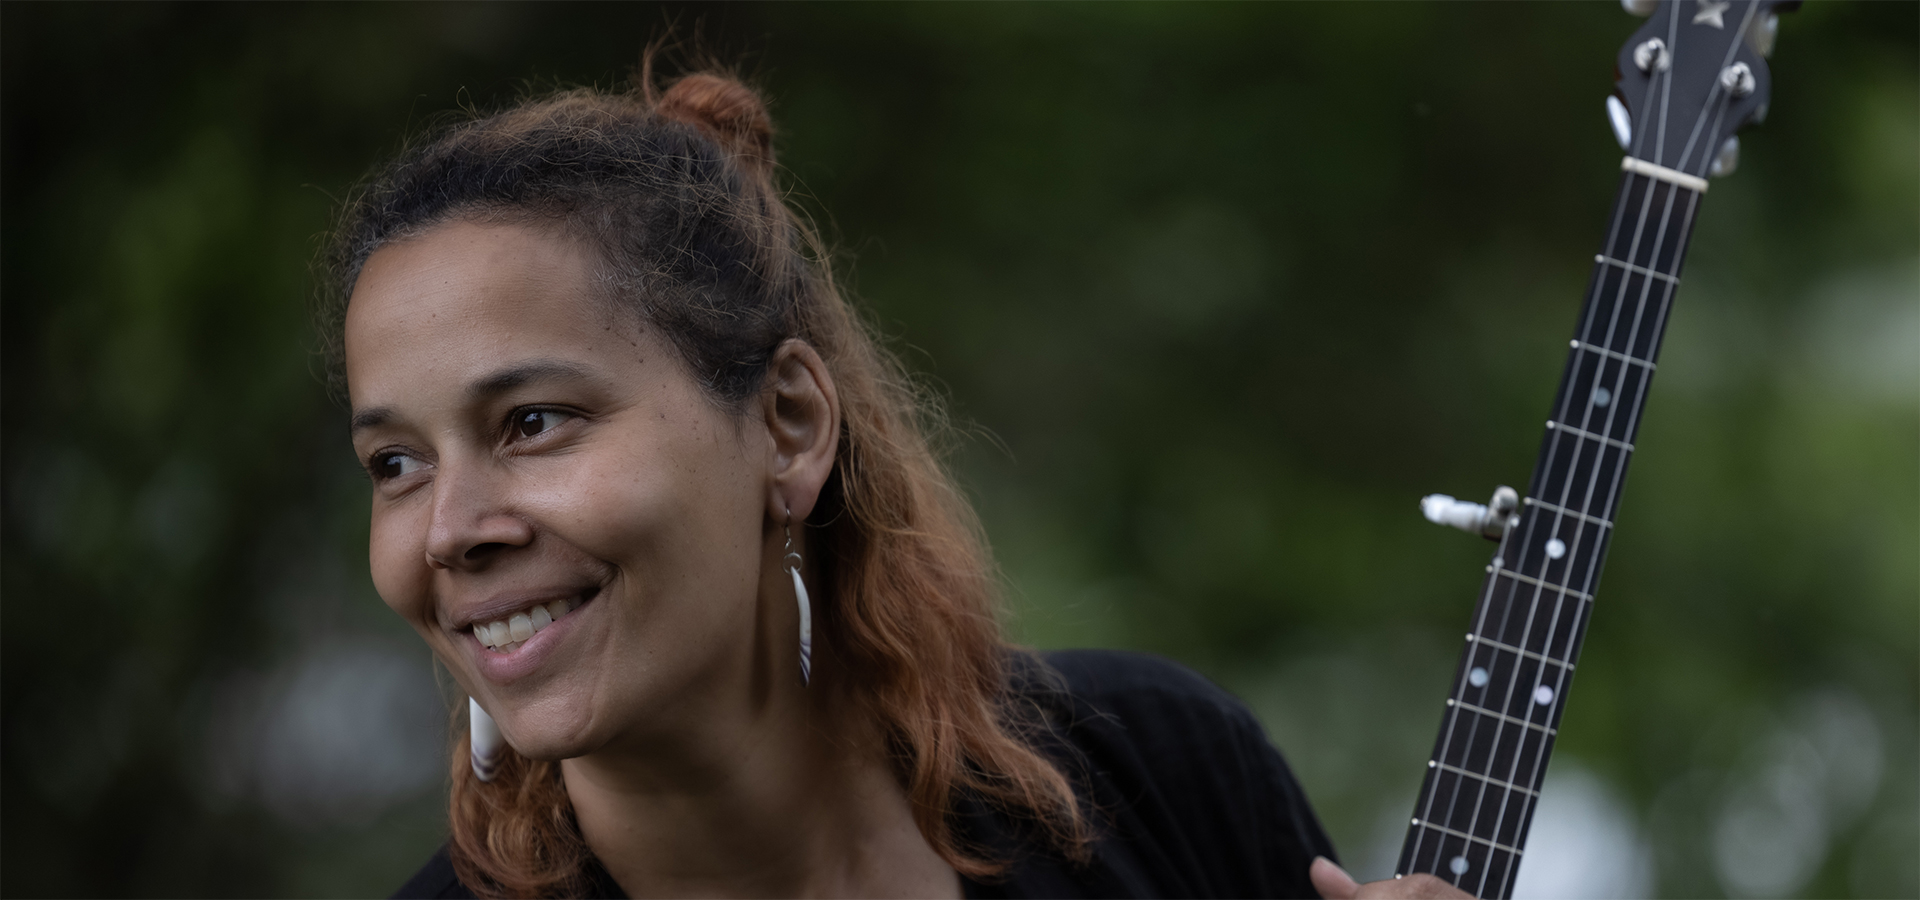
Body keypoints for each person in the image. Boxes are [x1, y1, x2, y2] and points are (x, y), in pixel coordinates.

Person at [325, 63, 1465, 900]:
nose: (449, 533)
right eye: (397, 464)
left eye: (532, 422)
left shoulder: (1155, 771)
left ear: (788, 424)